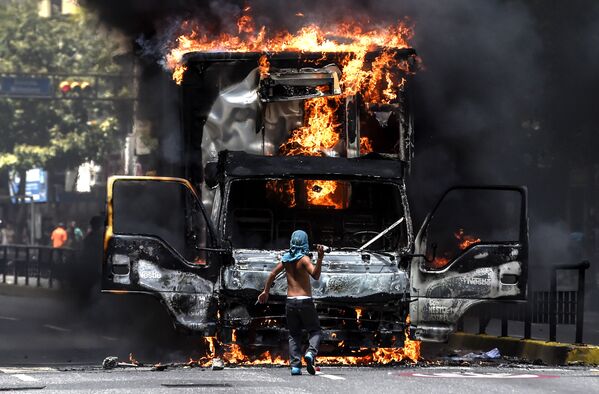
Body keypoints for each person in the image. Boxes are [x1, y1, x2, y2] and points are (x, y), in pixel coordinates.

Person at [258, 230, 325, 376]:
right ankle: (310, 353)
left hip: (290, 302)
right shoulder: (305, 260)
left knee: (294, 334)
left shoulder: (287, 259)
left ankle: (295, 366)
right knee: (315, 331)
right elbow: (316, 275)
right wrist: (320, 258)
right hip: (305, 301)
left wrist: (266, 291)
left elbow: (272, 274)